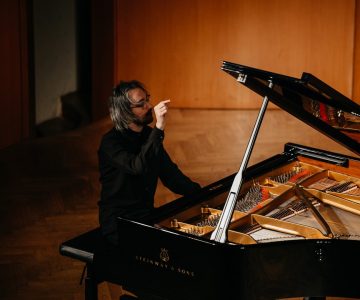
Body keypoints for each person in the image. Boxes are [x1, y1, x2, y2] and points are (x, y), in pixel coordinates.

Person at [97, 80, 201, 245]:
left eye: (147, 99)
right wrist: (159, 128)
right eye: (141, 104)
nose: (149, 106)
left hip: (146, 215)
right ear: (124, 112)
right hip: (119, 224)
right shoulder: (110, 143)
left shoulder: (148, 135)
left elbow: (171, 176)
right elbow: (138, 166)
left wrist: (203, 196)